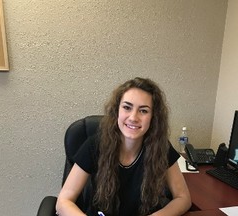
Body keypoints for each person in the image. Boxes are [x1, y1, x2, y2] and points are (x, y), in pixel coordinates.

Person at [56, 77, 191, 216]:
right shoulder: (95, 145)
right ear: (117, 111)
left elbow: (183, 198)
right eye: (127, 107)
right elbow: (64, 201)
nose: (133, 117)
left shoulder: (160, 147)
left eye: (143, 111)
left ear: (153, 117)